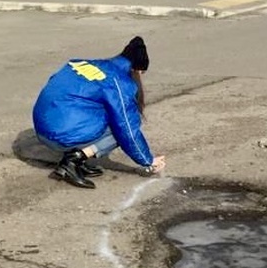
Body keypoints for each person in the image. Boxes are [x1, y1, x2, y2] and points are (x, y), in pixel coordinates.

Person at [32, 36, 166, 189]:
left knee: (94, 108)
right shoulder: (119, 82)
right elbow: (127, 129)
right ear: (137, 70)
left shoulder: (81, 63)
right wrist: (148, 160)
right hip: (60, 136)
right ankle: (73, 161)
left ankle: (78, 160)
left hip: (42, 127)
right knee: (121, 125)